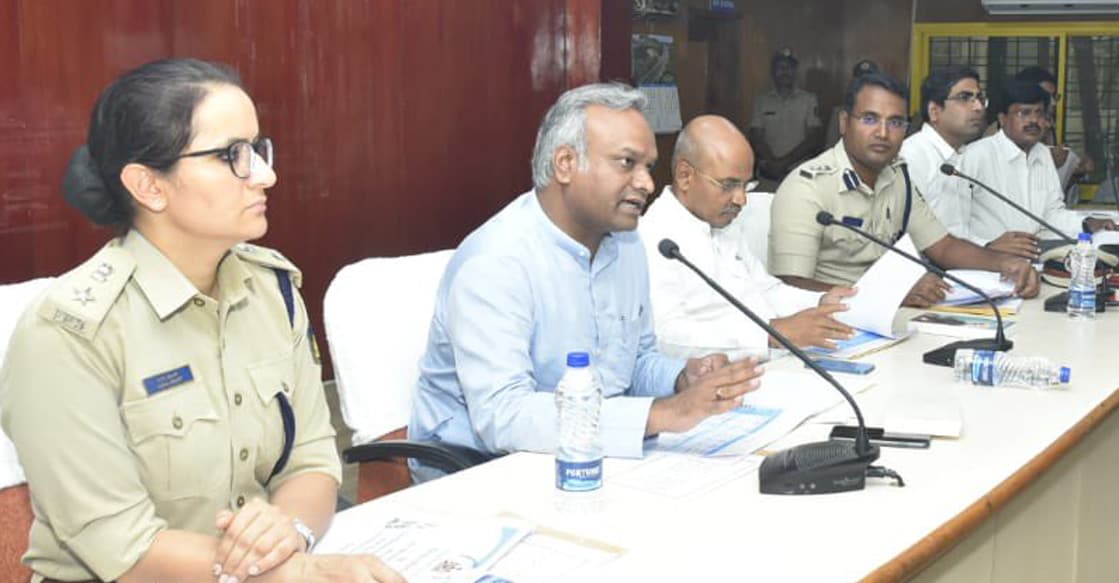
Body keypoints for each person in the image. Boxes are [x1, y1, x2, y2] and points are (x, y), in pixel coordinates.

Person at [0, 59, 401, 583]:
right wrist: (292, 574)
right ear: (149, 186)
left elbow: (312, 460)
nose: (266, 175)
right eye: (233, 155)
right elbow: (119, 546)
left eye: (258, 149)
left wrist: (288, 530)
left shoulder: (271, 290)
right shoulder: (68, 334)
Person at [409, 84, 764, 480]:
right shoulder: (496, 261)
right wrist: (661, 414)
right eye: (627, 163)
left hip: (592, 452)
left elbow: (633, 363)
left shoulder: (626, 245)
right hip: (481, 469)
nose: (647, 183)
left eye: (648, 166)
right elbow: (503, 416)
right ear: (565, 163)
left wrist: (681, 377)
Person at [768, 73, 1040, 308]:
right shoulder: (807, 187)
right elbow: (791, 285)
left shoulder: (897, 176)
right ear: (844, 122)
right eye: (870, 119)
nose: (883, 133)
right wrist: (889, 293)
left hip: (892, 316)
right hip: (830, 321)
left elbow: (943, 247)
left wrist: (1005, 263)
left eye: (896, 122)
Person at [639, 115, 855, 359]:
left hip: (773, 361)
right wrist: (770, 335)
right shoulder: (653, 238)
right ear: (685, 176)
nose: (741, 199)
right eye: (728, 185)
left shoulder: (721, 222)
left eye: (745, 186)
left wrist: (822, 302)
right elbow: (663, 336)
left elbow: (766, 291)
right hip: (719, 375)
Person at [900, 66, 1041, 259]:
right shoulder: (912, 156)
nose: (978, 107)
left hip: (959, 265)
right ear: (934, 111)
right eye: (964, 98)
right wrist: (989, 250)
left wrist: (988, 245)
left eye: (980, 98)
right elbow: (913, 239)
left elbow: (958, 232)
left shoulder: (961, 156)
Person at [957, 80, 1117, 246]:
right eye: (1024, 113)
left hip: (1035, 252)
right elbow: (953, 226)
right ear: (1002, 119)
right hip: (985, 256)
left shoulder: (1042, 154)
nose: (1033, 120)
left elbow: (1051, 214)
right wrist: (988, 245)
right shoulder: (975, 156)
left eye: (1039, 113)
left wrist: (1087, 224)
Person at [1014, 66, 1094, 196]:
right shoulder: (1004, 132)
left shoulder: (1050, 128)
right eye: (1046, 96)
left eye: (1054, 96)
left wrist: (1076, 171)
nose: (1053, 103)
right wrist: (1049, 163)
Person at [748, 49, 823, 183]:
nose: (784, 72)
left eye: (789, 68)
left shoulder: (809, 100)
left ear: (795, 72)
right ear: (772, 72)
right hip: (769, 173)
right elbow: (756, 136)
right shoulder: (761, 101)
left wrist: (783, 163)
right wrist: (773, 163)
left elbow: (814, 138)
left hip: (799, 173)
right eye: (780, 67)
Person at [825, 60, 880, 148]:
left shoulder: (887, 112)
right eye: (860, 80)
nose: (864, 84)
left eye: (869, 80)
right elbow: (831, 146)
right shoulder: (839, 113)